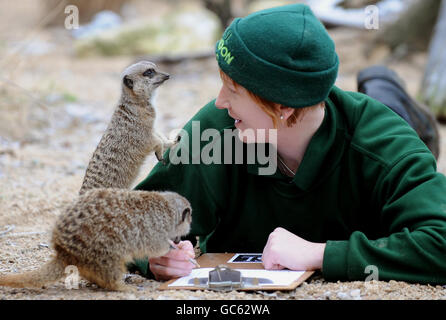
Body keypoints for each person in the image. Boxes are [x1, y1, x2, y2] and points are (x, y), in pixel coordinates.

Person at [129, 3, 446, 284]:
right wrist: (154, 256)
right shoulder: (217, 128)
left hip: (389, 127)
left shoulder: (383, 145)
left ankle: (386, 87)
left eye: (233, 89)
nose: (220, 100)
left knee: (403, 123)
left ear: (283, 106)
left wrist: (320, 255)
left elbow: (439, 242)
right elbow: (122, 223)